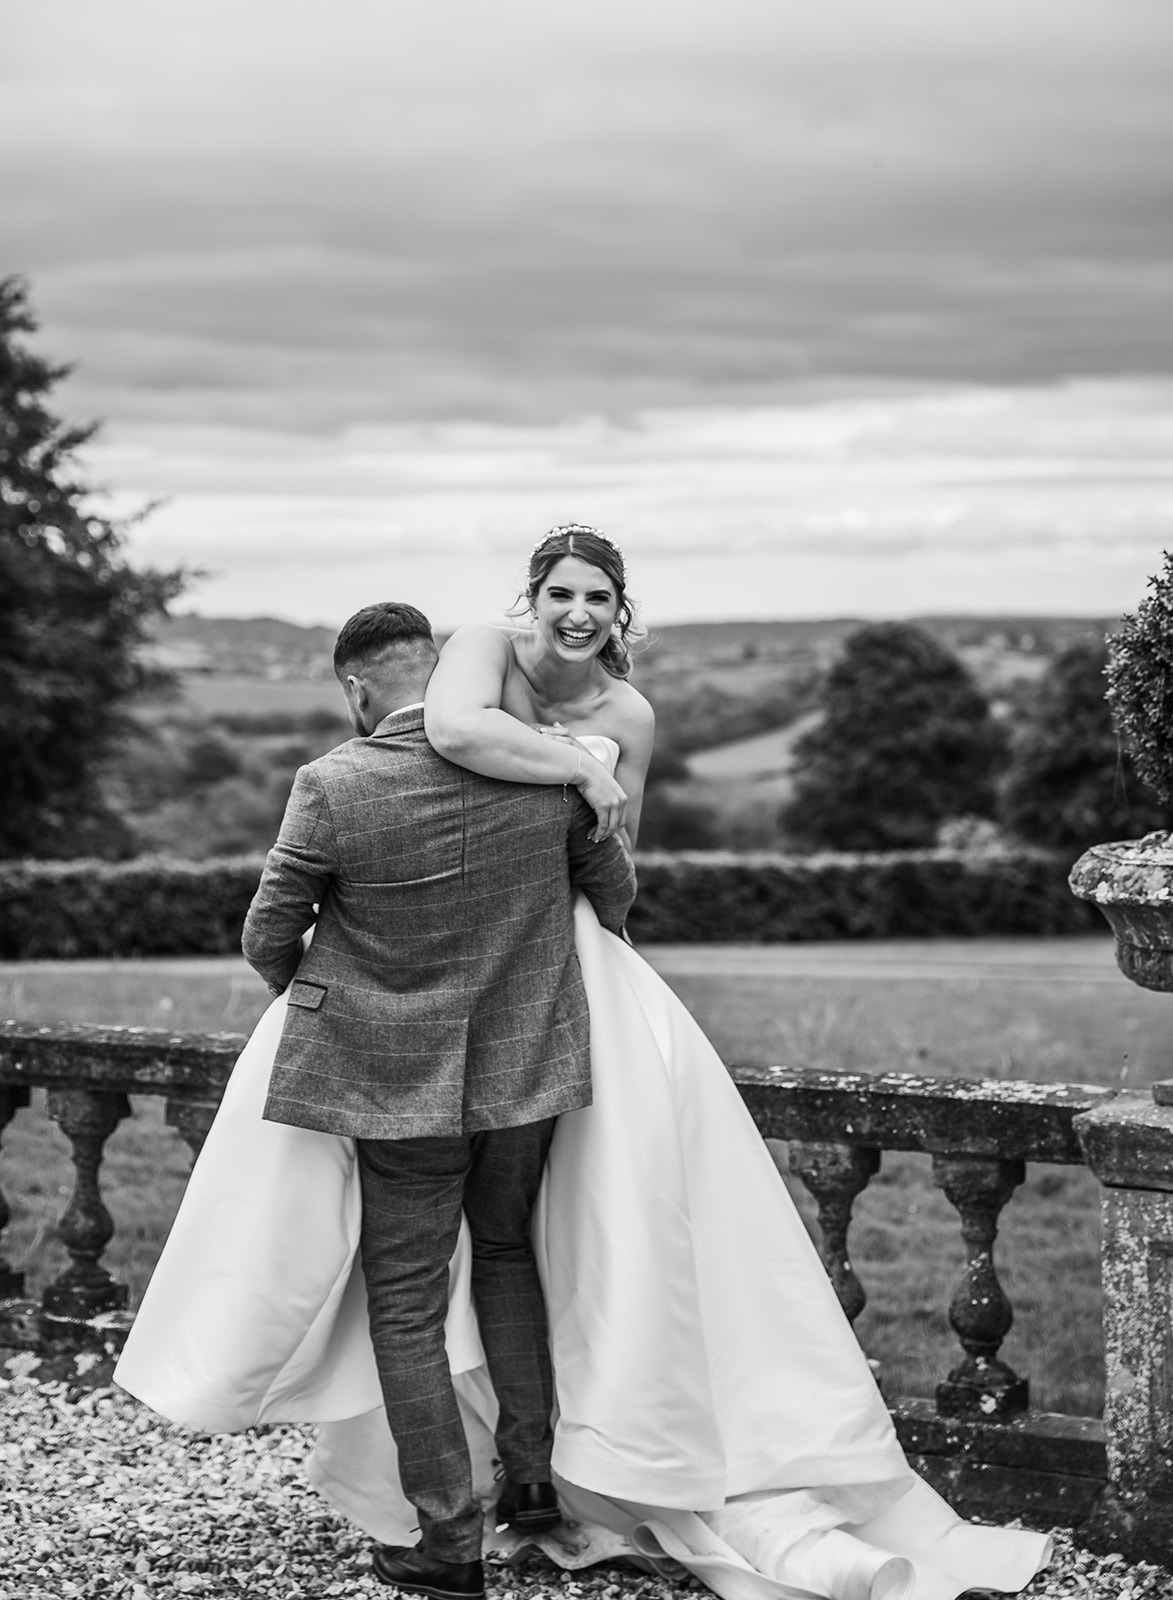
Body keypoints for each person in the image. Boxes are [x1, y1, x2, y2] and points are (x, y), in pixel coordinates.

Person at [116, 531, 1054, 1600]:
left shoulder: (331, 784)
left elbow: (265, 938)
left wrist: (336, 1004)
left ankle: (444, 1541)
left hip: (391, 1082)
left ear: (358, 687)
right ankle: (532, 1489)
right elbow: (612, 898)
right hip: (530, 1065)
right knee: (509, 1255)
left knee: (409, 1305)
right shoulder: (544, 779)